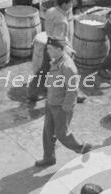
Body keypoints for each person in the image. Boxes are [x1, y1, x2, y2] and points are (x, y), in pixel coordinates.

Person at [35, 38, 92, 167]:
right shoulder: (57, 61)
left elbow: (73, 90)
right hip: (51, 103)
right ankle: (49, 157)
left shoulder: (67, 66)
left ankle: (83, 148)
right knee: (48, 133)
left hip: (60, 107)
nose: (48, 52)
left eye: (50, 49)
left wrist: (65, 108)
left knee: (62, 134)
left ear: (60, 50)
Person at [29, 0, 74, 102]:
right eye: (70, 4)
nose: (72, 6)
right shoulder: (61, 21)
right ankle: (71, 95)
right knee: (68, 71)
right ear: (64, 4)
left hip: (48, 44)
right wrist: (68, 49)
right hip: (56, 48)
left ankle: (33, 92)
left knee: (44, 70)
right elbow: (58, 39)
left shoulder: (51, 11)